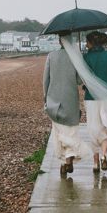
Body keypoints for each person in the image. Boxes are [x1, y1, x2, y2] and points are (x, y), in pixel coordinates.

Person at [43, 35, 89, 177]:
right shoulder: (75, 57)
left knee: (59, 133)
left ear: (59, 41)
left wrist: (46, 98)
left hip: (54, 100)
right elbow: (78, 81)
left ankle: (63, 163)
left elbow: (46, 79)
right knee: (71, 131)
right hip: (70, 100)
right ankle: (69, 158)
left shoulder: (51, 56)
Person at [83, 31, 107, 172]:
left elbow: (85, 78)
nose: (86, 45)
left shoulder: (86, 58)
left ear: (92, 42)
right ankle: (104, 156)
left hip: (91, 98)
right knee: (106, 126)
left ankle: (95, 163)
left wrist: (85, 85)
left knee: (93, 129)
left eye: (87, 42)